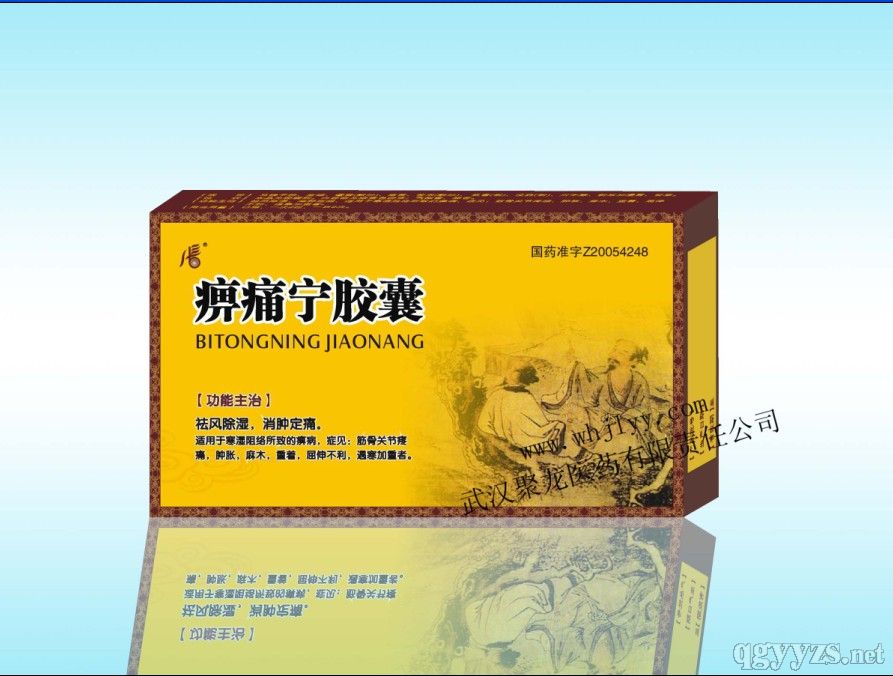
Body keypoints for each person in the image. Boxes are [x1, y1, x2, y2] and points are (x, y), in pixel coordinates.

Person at [477, 364, 566, 453]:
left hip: (504, 437)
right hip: (525, 440)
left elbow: (483, 423)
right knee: (559, 426)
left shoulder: (497, 394)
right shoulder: (526, 396)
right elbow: (540, 423)